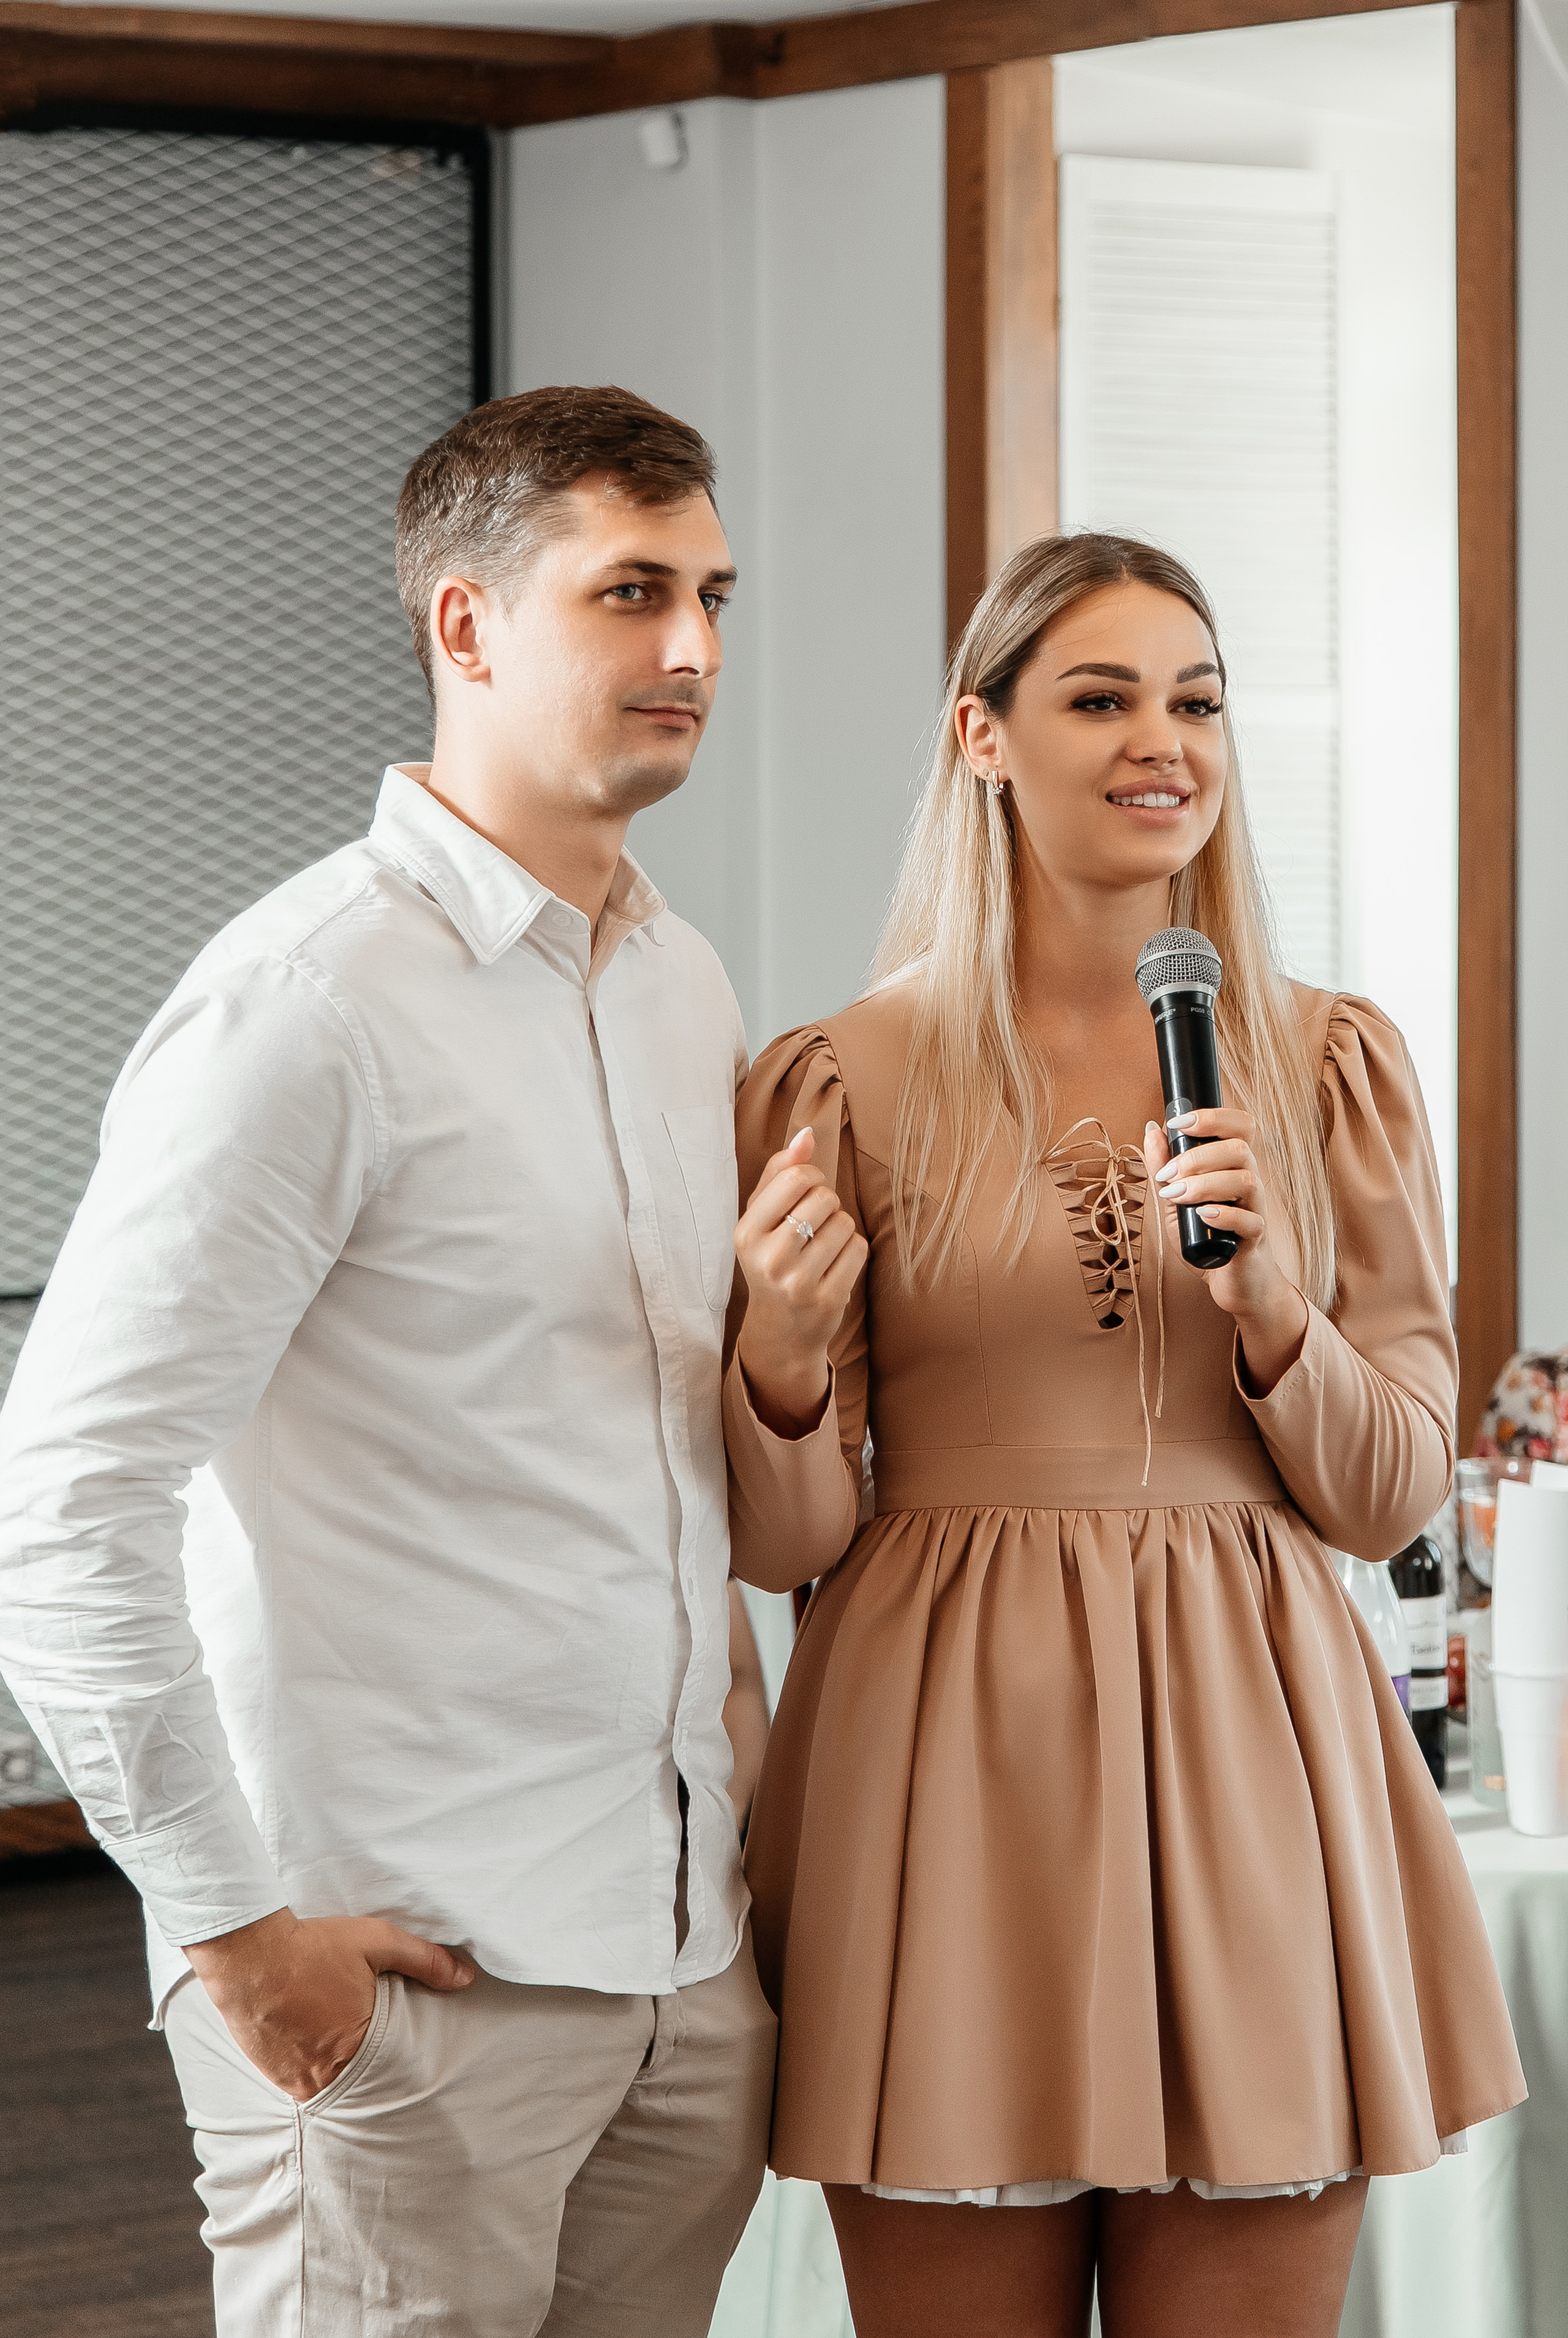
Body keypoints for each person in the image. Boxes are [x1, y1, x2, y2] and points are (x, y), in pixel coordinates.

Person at [0, 385, 775, 2338]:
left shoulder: (682, 986)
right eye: (630, 592)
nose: (692, 646)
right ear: (466, 623)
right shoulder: (304, 1003)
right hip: (403, 1984)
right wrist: (236, 1936)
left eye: (712, 595)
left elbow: (660, 1470)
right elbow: (65, 1506)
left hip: (683, 1975)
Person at [722, 533, 1525, 2338]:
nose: (1164, 741)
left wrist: (1275, 1312)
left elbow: (1391, 1492)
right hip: (940, 1764)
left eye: (1198, 701)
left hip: (1259, 1751)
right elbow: (783, 1543)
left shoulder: (1330, 1065)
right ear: (983, 736)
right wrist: (773, 1355)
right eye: (1102, 698)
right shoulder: (837, 1078)